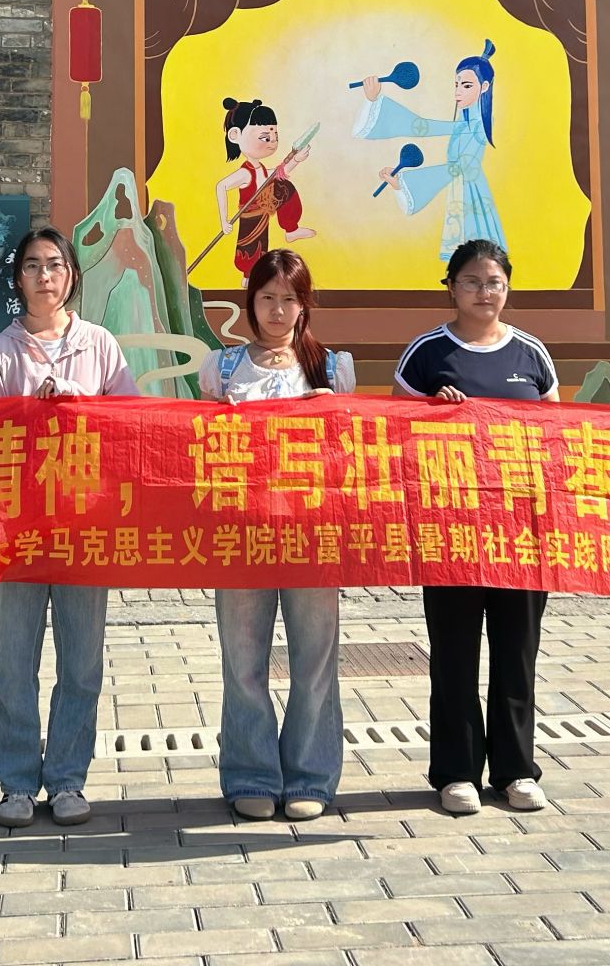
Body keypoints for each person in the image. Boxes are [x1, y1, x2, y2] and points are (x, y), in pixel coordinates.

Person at [0, 226, 140, 829]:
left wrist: (80, 406)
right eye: (32, 266)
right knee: (13, 664)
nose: (44, 276)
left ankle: (68, 778)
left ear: (71, 274)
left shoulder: (100, 344)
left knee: (82, 662)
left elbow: (131, 424)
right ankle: (17, 783)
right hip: (17, 528)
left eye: (55, 265)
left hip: (83, 526)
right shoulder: (1, 351)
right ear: (17, 278)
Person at [393, 238, 556, 816]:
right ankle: (456, 772)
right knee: (454, 656)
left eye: (494, 282)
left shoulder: (532, 354)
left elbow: (559, 435)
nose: (484, 292)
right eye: (471, 281)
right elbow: (393, 435)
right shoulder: (426, 354)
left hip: (520, 533)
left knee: (517, 654)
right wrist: (430, 412)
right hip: (451, 532)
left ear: (507, 287)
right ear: (451, 288)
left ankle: (516, 771)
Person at [196, 249, 352, 822]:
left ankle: (310, 775)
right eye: (268, 298)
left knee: (315, 661)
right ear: (251, 302)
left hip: (313, 534)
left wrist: (335, 415)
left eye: (290, 298)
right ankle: (251, 774)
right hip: (241, 535)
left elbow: (354, 454)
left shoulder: (332, 368)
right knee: (243, 662)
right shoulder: (221, 368)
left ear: (305, 304)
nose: (278, 310)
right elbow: (193, 450)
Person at [357, 39, 505, 262]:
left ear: (484, 87)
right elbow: (424, 127)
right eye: (456, 84)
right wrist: (375, 101)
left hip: (469, 191)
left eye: (466, 86)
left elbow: (456, 164)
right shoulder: (465, 122)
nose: (458, 92)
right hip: (461, 187)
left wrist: (402, 184)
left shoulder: (475, 125)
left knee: (476, 257)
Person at [216, 97, 315, 277]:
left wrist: (296, 160)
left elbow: (278, 173)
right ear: (235, 135)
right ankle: (248, 276)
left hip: (264, 212)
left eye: (275, 137)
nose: (272, 142)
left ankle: (291, 229)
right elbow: (221, 186)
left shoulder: (260, 169)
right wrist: (224, 221)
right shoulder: (245, 173)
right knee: (250, 250)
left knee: (284, 186)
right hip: (251, 217)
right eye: (265, 137)